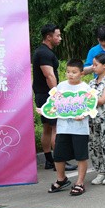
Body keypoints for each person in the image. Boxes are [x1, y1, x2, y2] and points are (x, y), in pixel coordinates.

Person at [47, 59, 89, 196]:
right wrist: (46, 110)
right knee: (58, 156)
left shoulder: (86, 88)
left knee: (81, 156)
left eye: (74, 72)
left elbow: (90, 107)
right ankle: (61, 179)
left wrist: (84, 114)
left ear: (82, 73)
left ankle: (80, 182)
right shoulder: (61, 86)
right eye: (68, 72)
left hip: (80, 129)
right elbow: (54, 104)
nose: (70, 75)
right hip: (63, 127)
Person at [32, 24, 64, 171]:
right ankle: (59, 161)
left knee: (46, 127)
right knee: (55, 127)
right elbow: (49, 75)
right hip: (47, 95)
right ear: (48, 37)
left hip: (41, 94)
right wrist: (56, 95)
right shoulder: (44, 53)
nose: (60, 38)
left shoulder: (41, 51)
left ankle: (49, 160)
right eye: (57, 36)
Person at [87, 53, 105, 185]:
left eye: (95, 65)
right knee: (95, 145)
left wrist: (86, 100)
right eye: (92, 65)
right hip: (93, 120)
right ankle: (100, 171)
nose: (93, 67)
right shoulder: (92, 82)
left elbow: (102, 100)